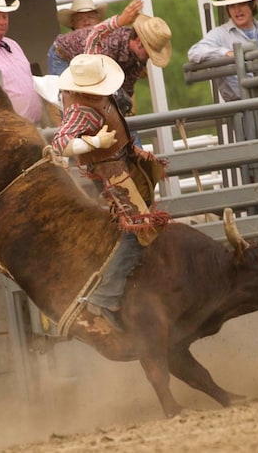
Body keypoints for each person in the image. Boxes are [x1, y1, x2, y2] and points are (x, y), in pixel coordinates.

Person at [50, 54, 169, 330]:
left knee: (140, 220)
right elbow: (60, 144)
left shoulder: (84, 97)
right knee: (137, 227)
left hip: (118, 162)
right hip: (108, 171)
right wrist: (93, 142)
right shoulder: (80, 110)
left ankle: (126, 281)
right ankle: (106, 296)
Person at [49, 0, 172, 116]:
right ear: (140, 43)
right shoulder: (112, 42)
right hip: (63, 56)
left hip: (87, 60)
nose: (149, 57)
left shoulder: (138, 60)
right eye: (149, 52)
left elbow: (126, 88)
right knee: (69, 104)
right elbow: (97, 79)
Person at [47, 0, 107, 75]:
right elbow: (60, 81)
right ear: (73, 24)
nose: (86, 22)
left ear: (99, 20)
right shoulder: (62, 46)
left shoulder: (113, 40)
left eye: (91, 17)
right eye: (80, 19)